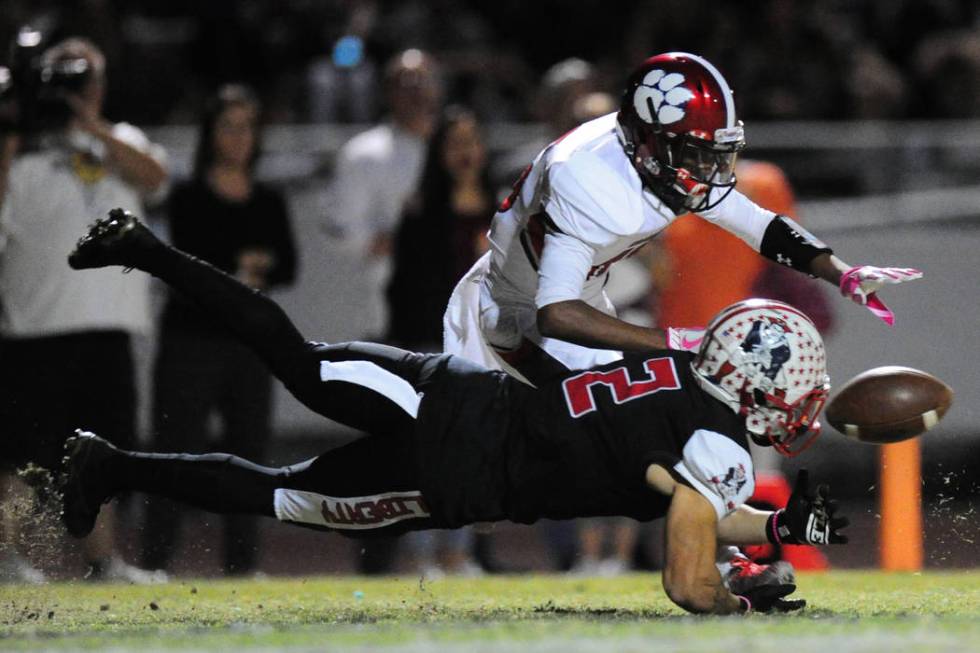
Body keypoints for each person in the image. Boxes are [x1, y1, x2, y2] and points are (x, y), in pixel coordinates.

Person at [62, 209, 849, 614]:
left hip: (454, 393)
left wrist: (776, 527)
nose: (793, 406)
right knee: (277, 492)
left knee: (297, 360)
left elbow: (685, 495)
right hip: (454, 474)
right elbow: (686, 572)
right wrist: (737, 597)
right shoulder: (718, 447)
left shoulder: (676, 370)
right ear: (752, 381)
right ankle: (113, 465)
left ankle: (146, 251)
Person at [443, 51, 922, 390]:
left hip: (585, 301)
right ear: (650, 142)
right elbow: (556, 313)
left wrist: (842, 273)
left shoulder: (655, 155)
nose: (708, 172)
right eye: (696, 155)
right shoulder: (588, 178)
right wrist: (678, 341)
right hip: (514, 318)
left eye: (715, 155)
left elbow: (758, 225)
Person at [0, 37, 167, 583]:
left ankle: (104, 562)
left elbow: (155, 177)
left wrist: (90, 125)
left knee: (99, 456)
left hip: (108, 324)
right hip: (35, 325)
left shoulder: (119, 141)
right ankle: (6, 557)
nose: (77, 90)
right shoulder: (18, 148)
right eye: (66, 79)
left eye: (86, 79)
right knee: (25, 456)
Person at [142, 84, 297, 576]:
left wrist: (243, 269)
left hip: (249, 344)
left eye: (247, 127)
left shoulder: (268, 198)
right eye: (229, 127)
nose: (239, 137)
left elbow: (288, 264)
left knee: (250, 454)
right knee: (176, 449)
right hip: (191, 341)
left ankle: (242, 565)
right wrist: (243, 267)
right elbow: (190, 266)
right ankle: (156, 560)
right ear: (211, 134)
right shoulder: (188, 196)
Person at [325, 48, 442, 339]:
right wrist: (396, 239)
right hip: (386, 304)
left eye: (423, 81)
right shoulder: (362, 154)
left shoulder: (456, 148)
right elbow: (340, 230)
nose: (416, 91)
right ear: (388, 92)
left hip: (452, 305)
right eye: (405, 83)